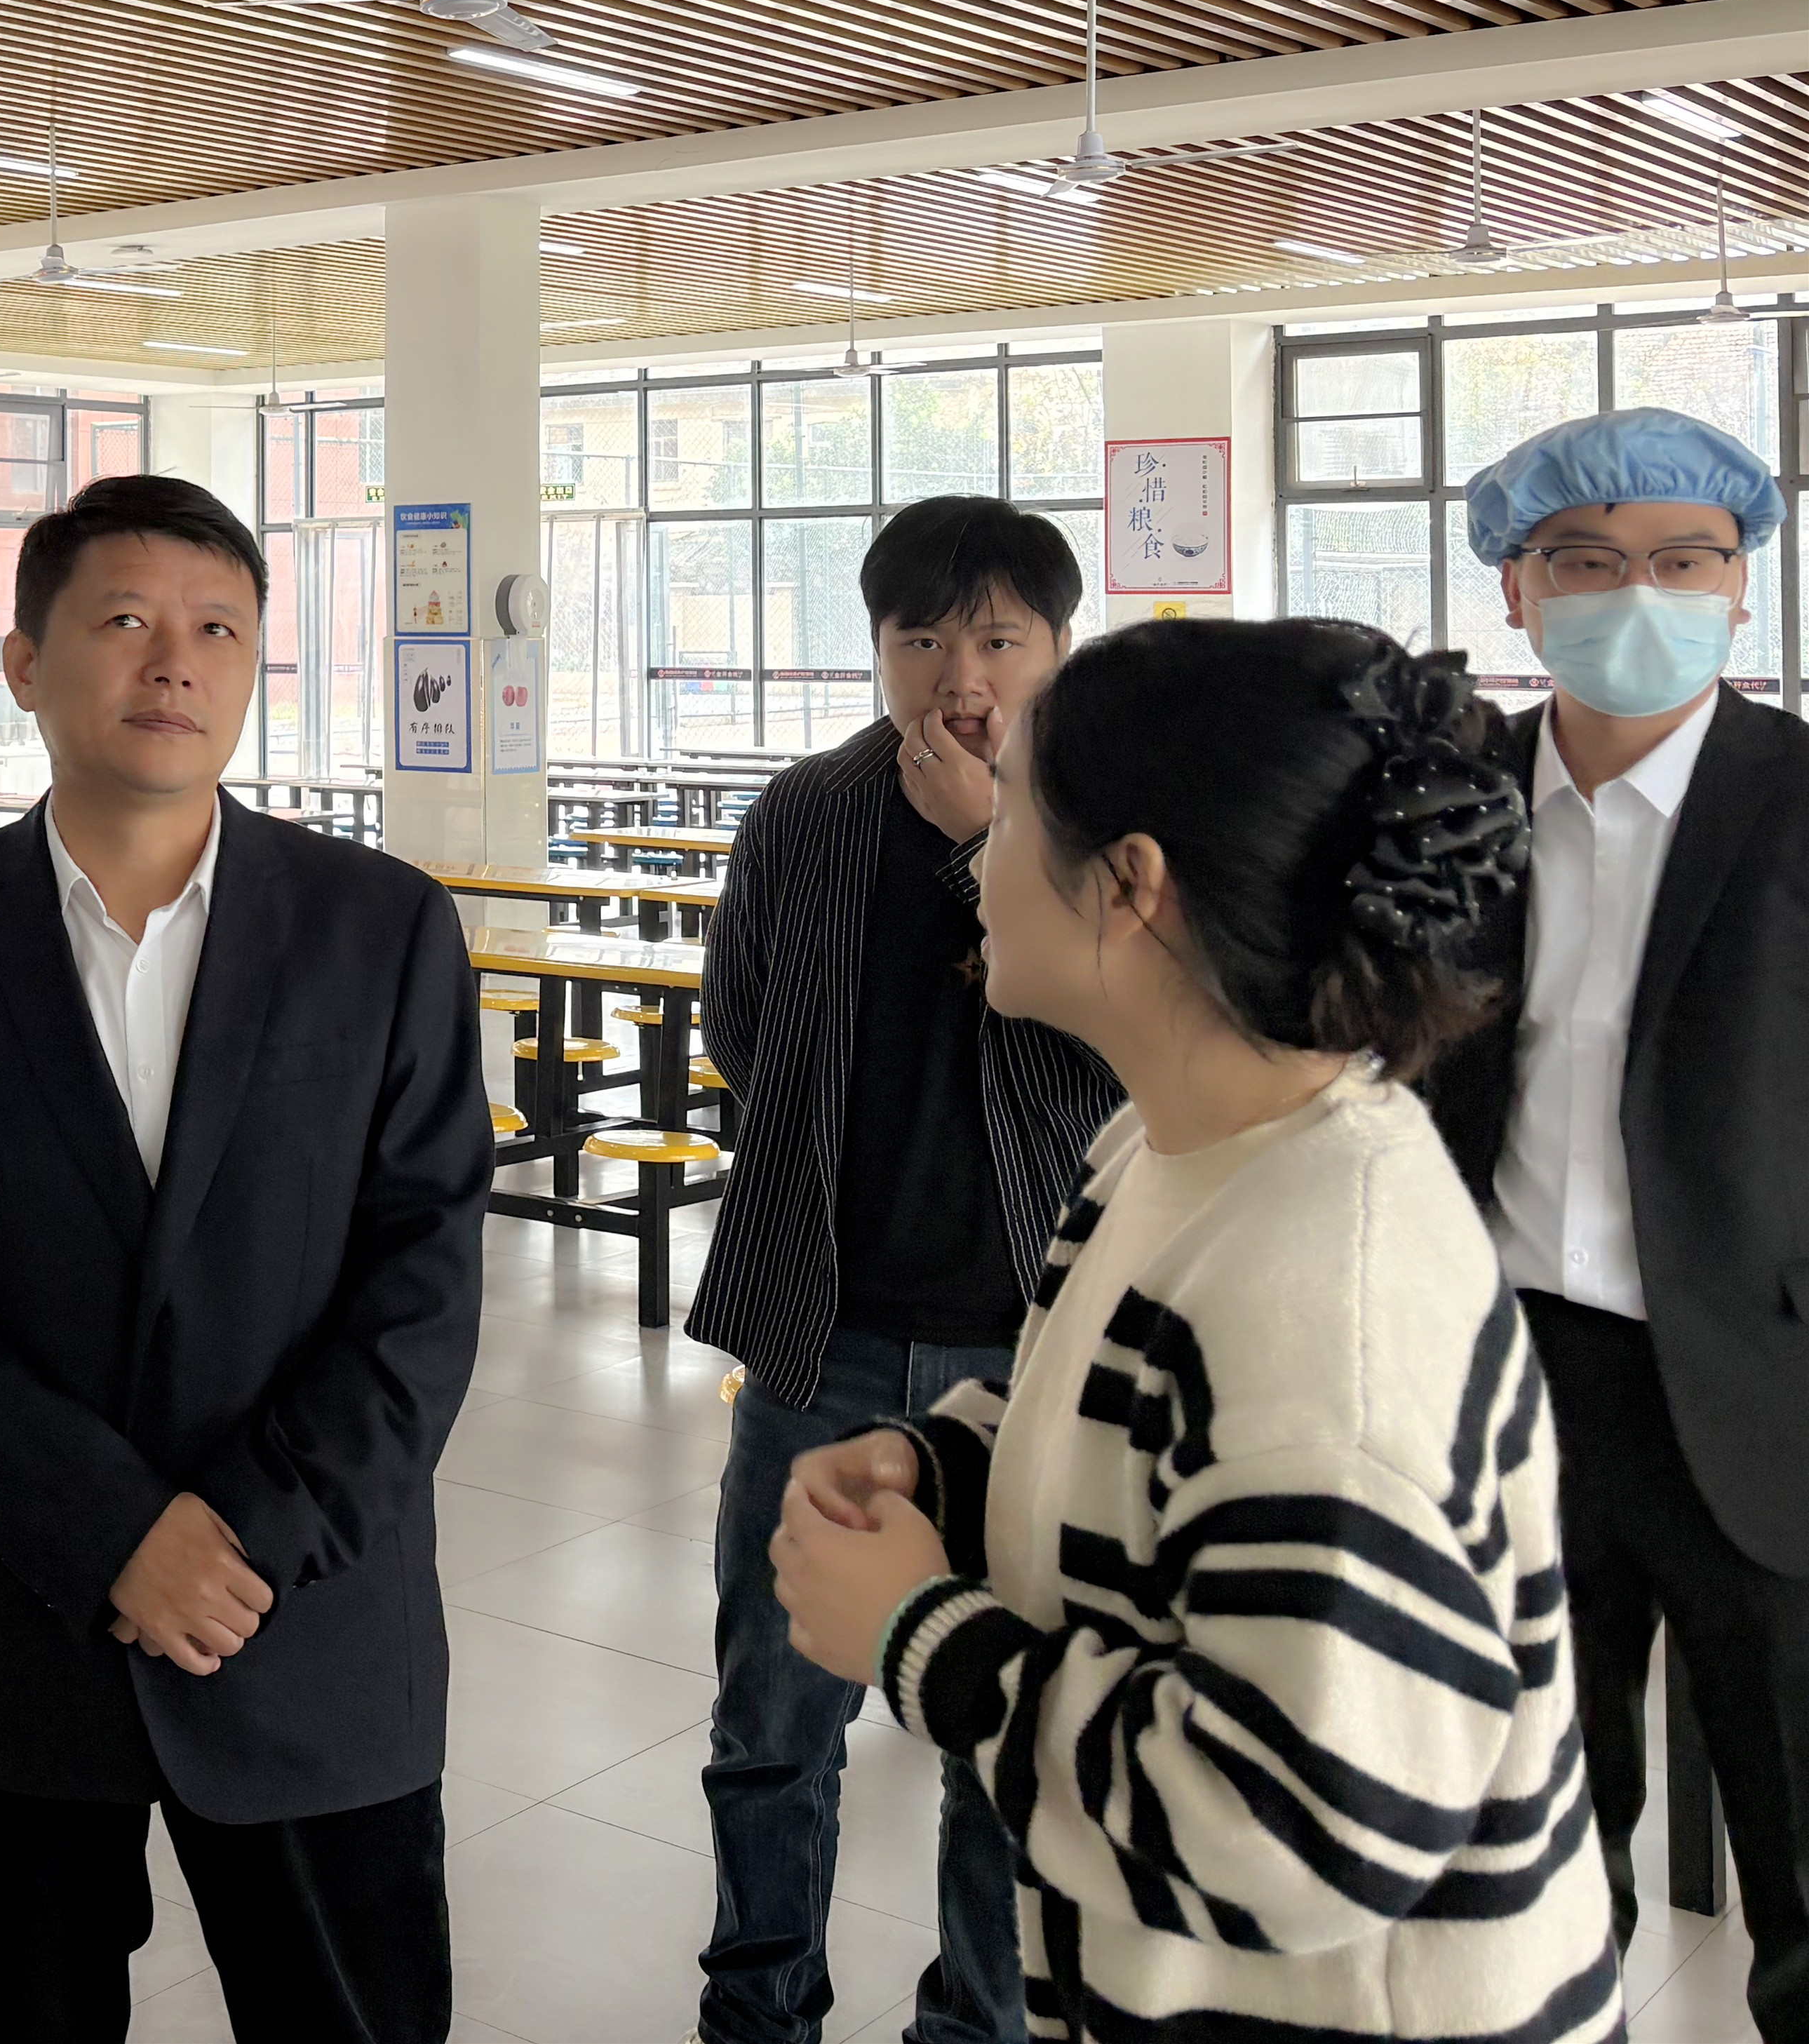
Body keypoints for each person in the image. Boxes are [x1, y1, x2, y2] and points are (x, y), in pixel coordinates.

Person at [770, 617, 1620, 2040]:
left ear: (1131, 883)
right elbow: (1136, 1435)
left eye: (1012, 812)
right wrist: (947, 1469)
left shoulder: (1322, 1290)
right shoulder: (1171, 1146)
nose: (977, 857)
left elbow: (1303, 1822)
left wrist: (922, 1635)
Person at [0, 473, 489, 2044]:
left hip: (307, 1620)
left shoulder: (380, 928)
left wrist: (245, 1535)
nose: (175, 661)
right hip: (17, 1624)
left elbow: (425, 1277)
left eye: (218, 630)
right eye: (124, 620)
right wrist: (111, 1527)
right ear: (24, 663)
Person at [685, 495, 1119, 2044]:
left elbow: (1118, 1049)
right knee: (771, 1720)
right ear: (876, 648)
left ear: (1057, 648)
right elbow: (740, 1028)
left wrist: (986, 843)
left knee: (996, 1734)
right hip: (824, 1334)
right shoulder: (804, 813)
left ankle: (977, 2026)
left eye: (998, 637)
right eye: (922, 638)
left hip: (1033, 1346)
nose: (961, 674)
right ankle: (759, 2012)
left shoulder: (1104, 828)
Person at [1427, 403, 1809, 2037]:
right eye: (1585, 561)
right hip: (1507, 1383)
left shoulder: (1796, 800)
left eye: (1682, 560)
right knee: (1528, 1844)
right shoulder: (1445, 808)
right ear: (1517, 589)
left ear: (1741, 584)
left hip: (1761, 1391)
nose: (1636, 593)